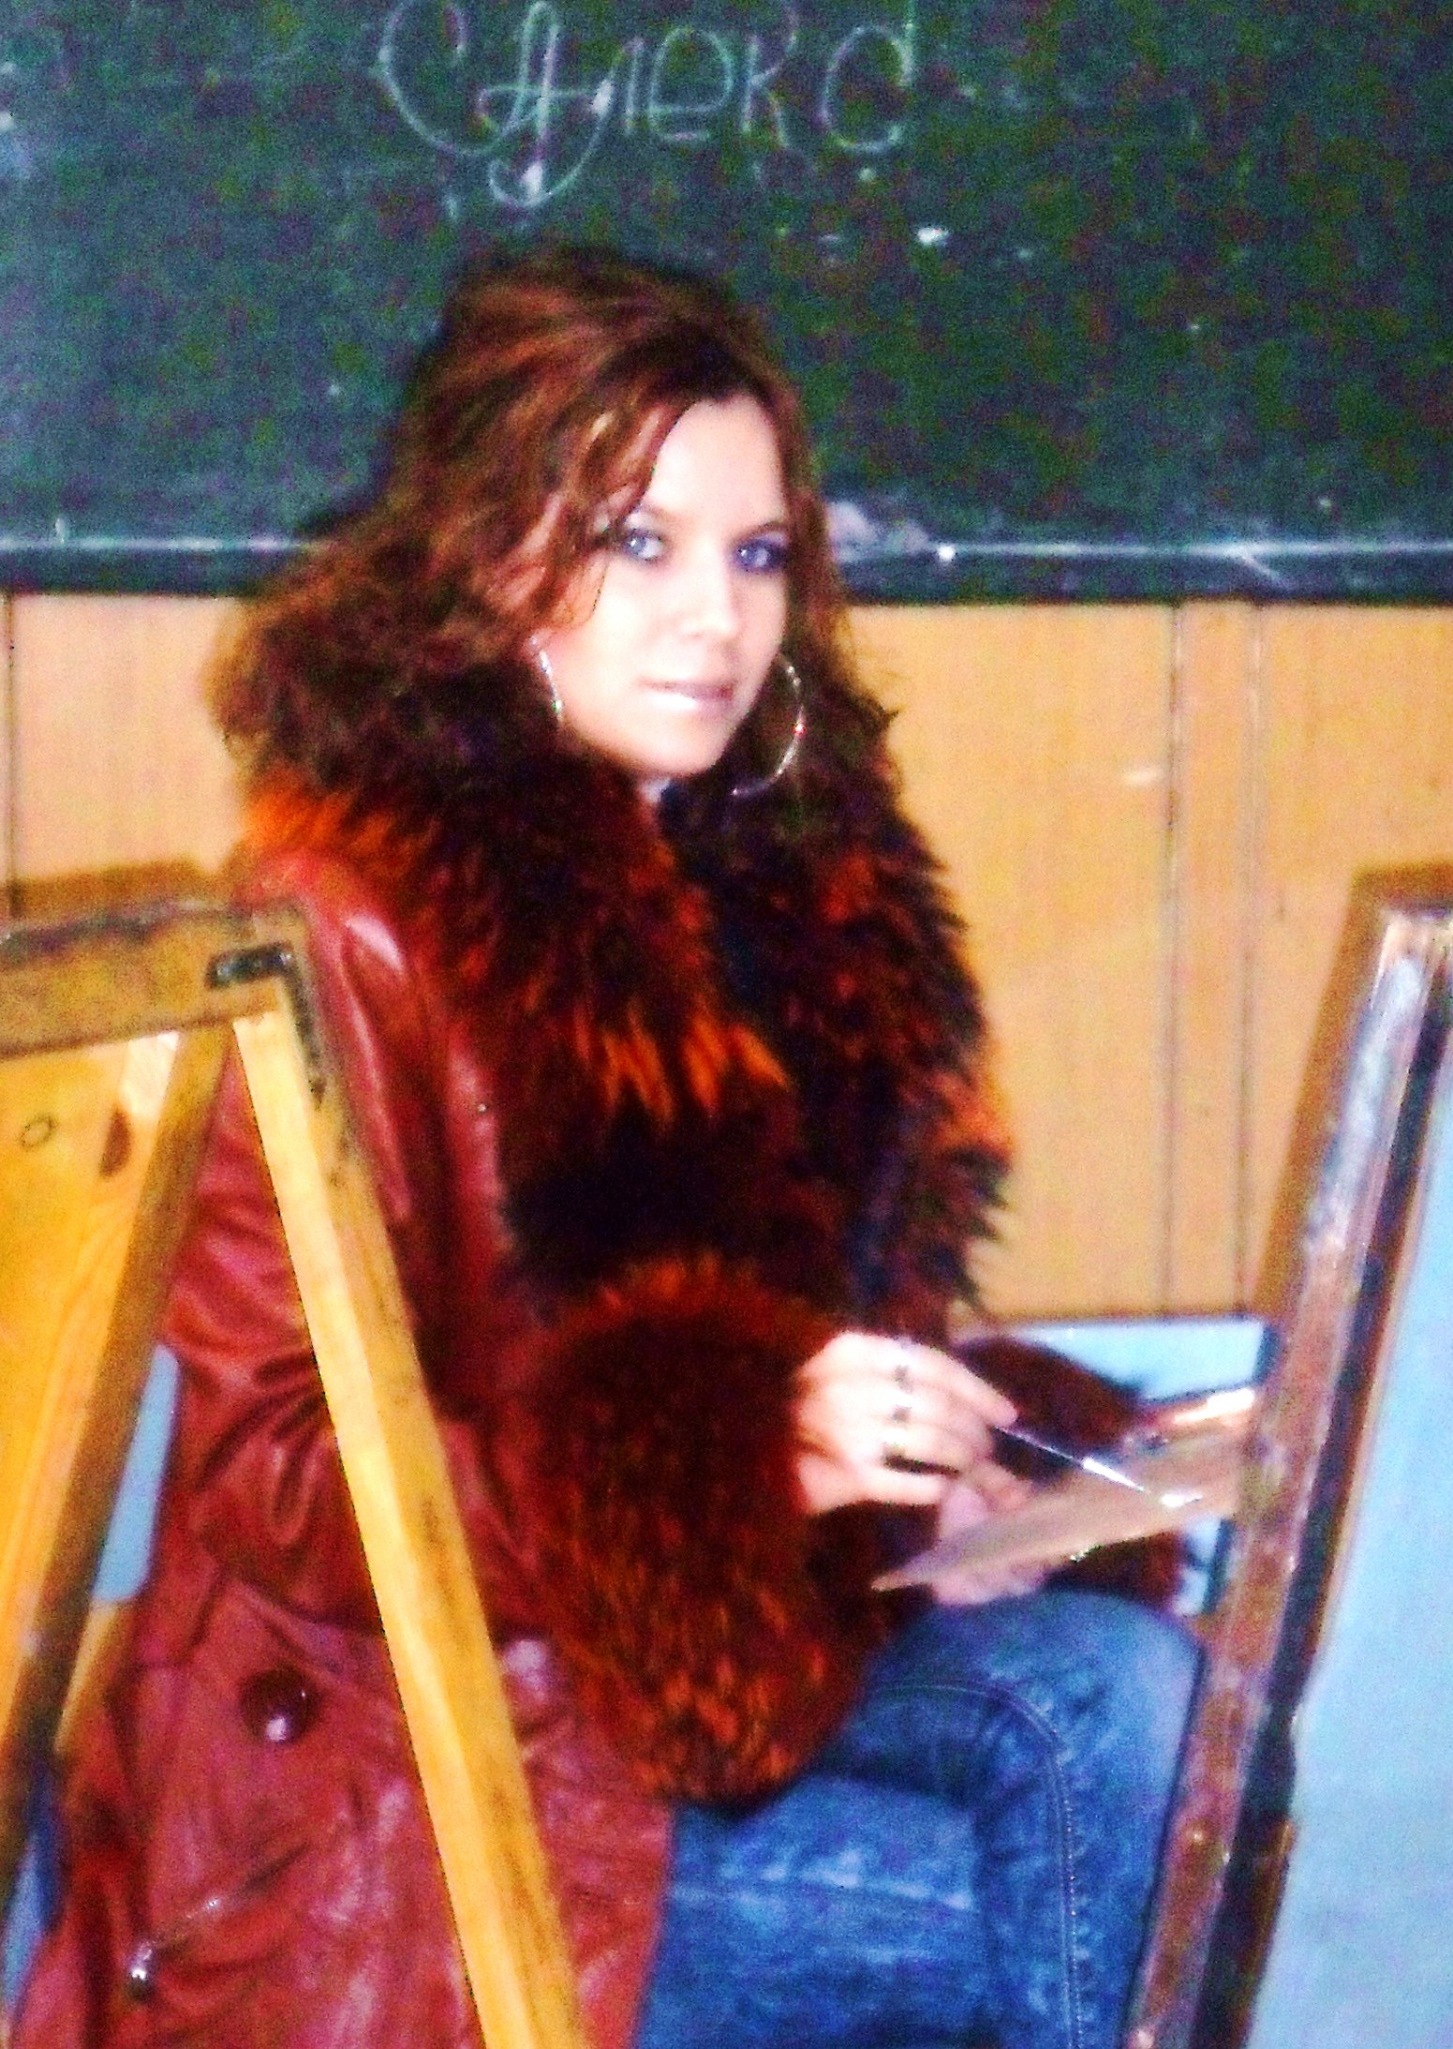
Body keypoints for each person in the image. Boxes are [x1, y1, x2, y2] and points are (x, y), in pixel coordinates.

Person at [14, 247, 1198, 2049]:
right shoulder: (337, 920)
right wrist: (742, 1458)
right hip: (401, 1789)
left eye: (756, 553)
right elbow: (276, 1478)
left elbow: (773, 1375)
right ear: (489, 550)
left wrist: (949, 1488)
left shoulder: (782, 890)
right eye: (638, 543)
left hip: (685, 1692)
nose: (714, 617)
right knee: (1067, 1897)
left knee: (1121, 1691)